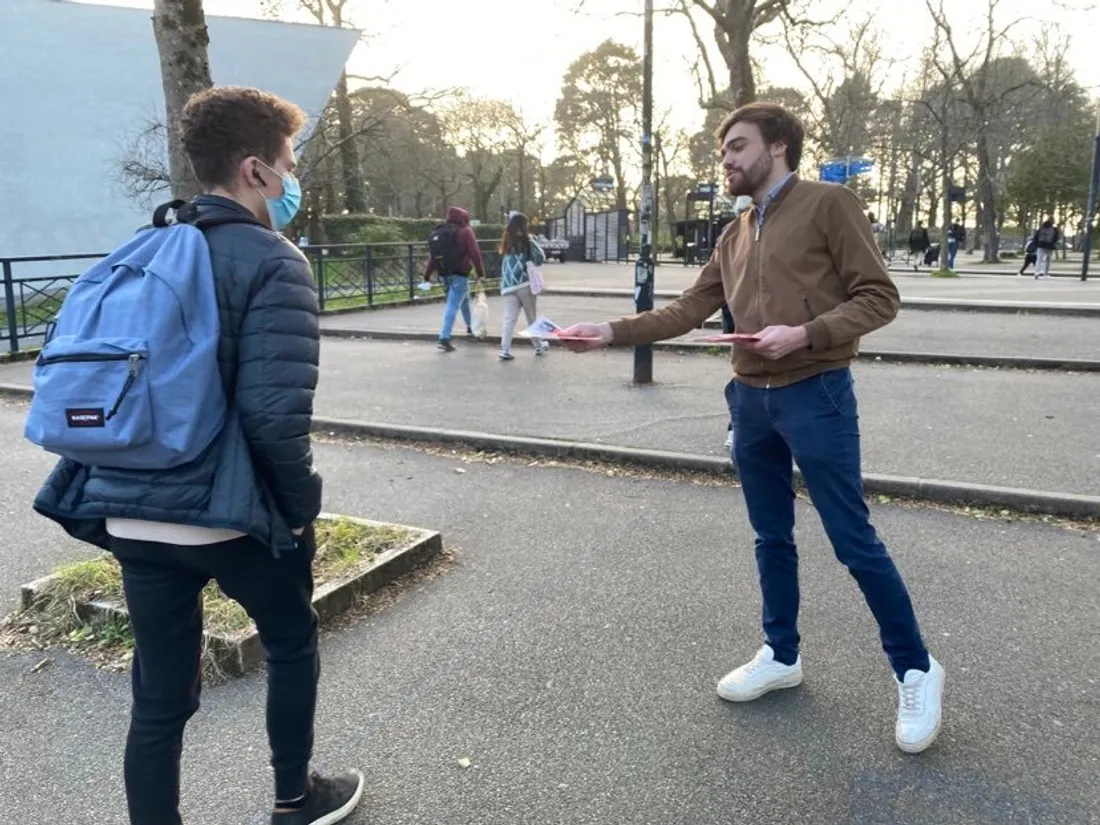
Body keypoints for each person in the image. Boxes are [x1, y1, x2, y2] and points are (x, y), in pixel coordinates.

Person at [558, 101, 944, 754]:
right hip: (751, 400)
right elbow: (689, 307)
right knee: (771, 536)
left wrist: (807, 332)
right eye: (724, 151)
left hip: (816, 392)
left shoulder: (829, 204)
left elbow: (879, 296)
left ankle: (916, 668)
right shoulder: (734, 233)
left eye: (738, 147)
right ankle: (781, 653)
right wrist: (609, 331)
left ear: (778, 146)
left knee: (853, 539)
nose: (728, 160)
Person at [32, 86, 363, 825]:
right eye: (289, 162)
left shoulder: (145, 245)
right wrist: (300, 515)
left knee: (158, 695)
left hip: (127, 508)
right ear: (255, 170)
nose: (293, 177)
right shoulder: (273, 261)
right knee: (290, 640)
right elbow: (275, 418)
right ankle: (294, 798)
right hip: (228, 512)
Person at [425, 206, 486, 351]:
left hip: (444, 273)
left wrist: (426, 276)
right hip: (460, 273)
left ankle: (471, 328)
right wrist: (480, 273)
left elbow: (433, 256)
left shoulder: (440, 232)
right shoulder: (466, 231)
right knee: (453, 305)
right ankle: (444, 338)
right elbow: (475, 253)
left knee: (463, 300)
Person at [497, 212, 549, 361]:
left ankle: (505, 349)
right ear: (523, 226)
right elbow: (540, 258)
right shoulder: (527, 241)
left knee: (509, 319)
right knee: (531, 316)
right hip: (524, 284)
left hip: (508, 287)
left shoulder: (506, 243)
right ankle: (538, 346)